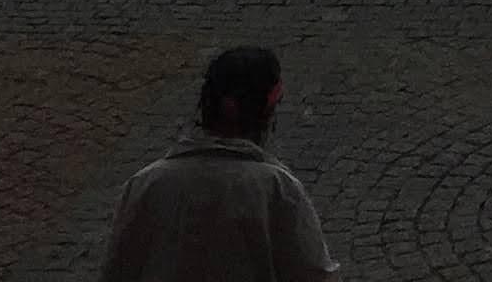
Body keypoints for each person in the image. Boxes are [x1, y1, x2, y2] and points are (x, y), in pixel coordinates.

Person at [96, 43, 338, 282]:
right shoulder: (277, 190)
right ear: (269, 109)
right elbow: (313, 274)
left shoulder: (146, 184)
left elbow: (117, 270)